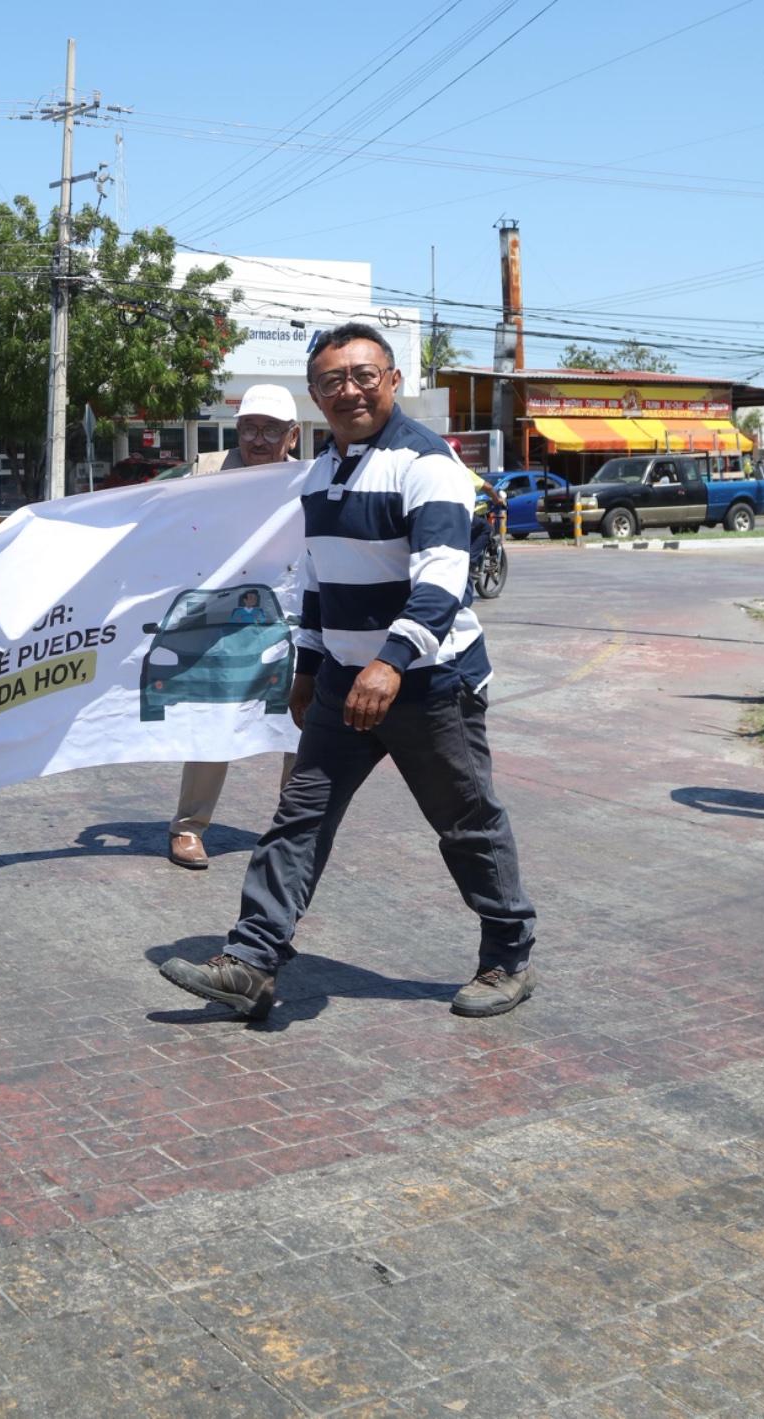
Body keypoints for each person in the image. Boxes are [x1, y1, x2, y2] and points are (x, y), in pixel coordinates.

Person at [156, 322, 539, 1020]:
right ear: (315, 396)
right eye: (332, 381)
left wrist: (390, 663)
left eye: (364, 375)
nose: (349, 390)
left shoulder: (428, 465)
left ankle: (508, 954)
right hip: (341, 681)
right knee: (297, 819)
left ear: (393, 380)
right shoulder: (322, 473)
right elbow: (315, 581)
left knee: (465, 822)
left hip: (430, 684)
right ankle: (251, 959)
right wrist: (306, 668)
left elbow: (443, 583)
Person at [166, 383, 302, 871]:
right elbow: (156, 517)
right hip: (220, 621)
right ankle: (188, 828)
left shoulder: (308, 478)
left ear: (292, 435)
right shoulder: (206, 471)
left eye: (270, 430)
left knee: (297, 725)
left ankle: (294, 830)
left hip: (288, 618)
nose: (257, 439)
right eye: (248, 428)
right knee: (214, 722)